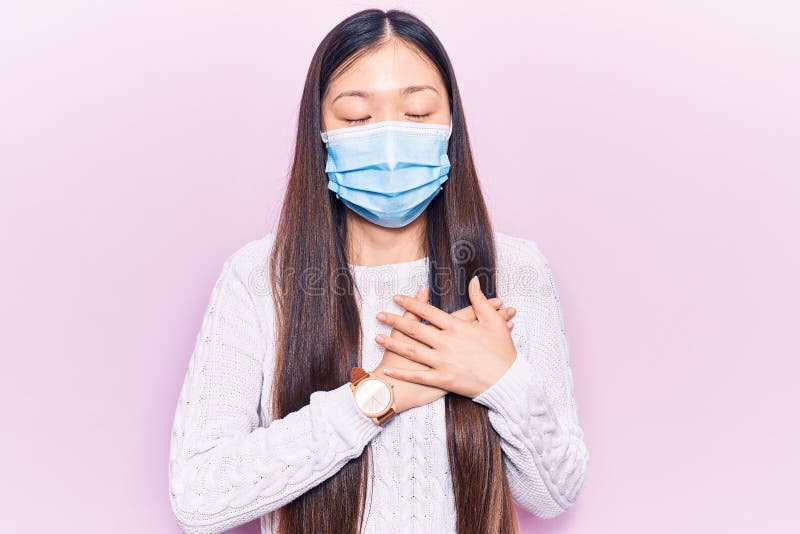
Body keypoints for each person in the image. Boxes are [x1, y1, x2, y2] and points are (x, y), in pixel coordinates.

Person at [168, 8, 589, 534]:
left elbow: (554, 494)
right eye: (356, 118)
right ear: (319, 131)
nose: (390, 144)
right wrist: (379, 394)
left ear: (450, 127)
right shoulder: (259, 278)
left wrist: (499, 379)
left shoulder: (516, 271)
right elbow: (199, 497)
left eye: (416, 113)